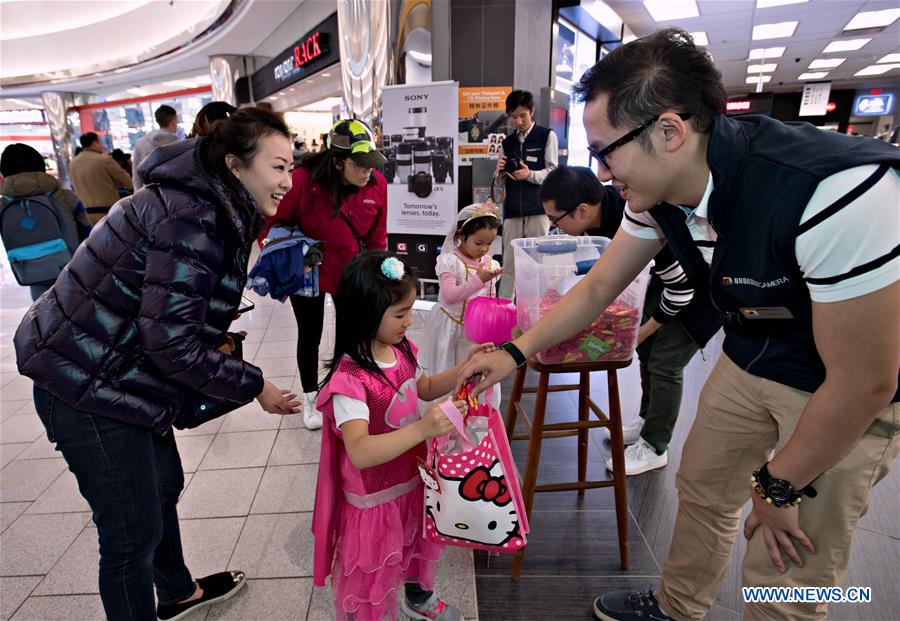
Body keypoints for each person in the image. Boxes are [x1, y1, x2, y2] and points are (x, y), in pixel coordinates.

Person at [459, 28, 899, 621]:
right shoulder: (656, 196)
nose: (601, 172)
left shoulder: (834, 194)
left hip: (839, 389)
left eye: (605, 151)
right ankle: (678, 605)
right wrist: (515, 352)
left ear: (669, 131)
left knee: (793, 560)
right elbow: (599, 285)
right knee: (702, 489)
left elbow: (864, 379)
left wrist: (777, 485)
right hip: (749, 357)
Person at [14, 108, 302, 621]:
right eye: (278, 167)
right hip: (83, 384)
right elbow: (169, 344)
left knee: (163, 484)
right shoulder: (193, 217)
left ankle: (176, 591)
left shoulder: (209, 204)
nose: (288, 180)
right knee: (130, 534)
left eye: (291, 166)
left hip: (121, 374)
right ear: (235, 165)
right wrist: (254, 383)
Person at [313, 251, 477, 621]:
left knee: (416, 546)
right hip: (375, 498)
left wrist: (465, 369)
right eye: (400, 314)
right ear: (366, 314)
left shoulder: (401, 349)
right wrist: (422, 428)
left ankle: (417, 599)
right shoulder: (351, 381)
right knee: (376, 568)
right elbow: (359, 451)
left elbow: (428, 386)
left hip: (411, 480)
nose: (408, 320)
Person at [539, 166, 722, 475]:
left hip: (704, 288)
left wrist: (644, 331)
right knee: (647, 353)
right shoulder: (603, 216)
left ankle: (655, 446)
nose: (553, 226)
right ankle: (647, 420)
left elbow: (682, 288)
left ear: (582, 210)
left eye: (555, 220)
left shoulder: (639, 216)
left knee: (665, 360)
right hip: (665, 281)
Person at [261, 118, 388, 431]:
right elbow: (271, 223)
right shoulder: (302, 181)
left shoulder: (377, 185)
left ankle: (346, 393)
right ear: (338, 161)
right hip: (309, 273)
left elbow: (377, 238)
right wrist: (298, 249)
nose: (367, 171)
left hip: (351, 273)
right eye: (360, 165)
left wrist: (377, 275)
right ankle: (309, 395)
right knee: (310, 334)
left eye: (371, 164)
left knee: (351, 334)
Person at [418, 202, 502, 403]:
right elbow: (449, 296)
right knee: (449, 372)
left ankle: (473, 412)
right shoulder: (450, 261)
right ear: (462, 236)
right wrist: (479, 280)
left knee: (475, 374)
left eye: (489, 244)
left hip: (476, 332)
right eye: (478, 242)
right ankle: (445, 414)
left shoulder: (490, 263)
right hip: (451, 329)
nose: (484, 249)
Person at [0, 143, 92, 300]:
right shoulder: (65, 197)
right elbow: (88, 234)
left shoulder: (3, 204)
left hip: (31, 273)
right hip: (73, 272)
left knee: (44, 316)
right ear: (40, 165)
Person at [493, 89, 559, 299]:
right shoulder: (507, 142)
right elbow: (499, 182)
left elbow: (553, 173)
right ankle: (503, 308)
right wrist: (500, 171)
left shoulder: (546, 136)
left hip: (538, 209)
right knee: (510, 262)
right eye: (514, 117)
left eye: (523, 115)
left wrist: (529, 174)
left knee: (538, 262)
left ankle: (537, 306)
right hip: (512, 210)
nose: (518, 121)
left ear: (532, 112)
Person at [70, 131, 135, 224]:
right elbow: (126, 180)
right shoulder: (104, 160)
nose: (101, 145)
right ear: (94, 143)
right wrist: (131, 190)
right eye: (99, 142)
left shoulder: (73, 163)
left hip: (86, 214)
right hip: (107, 211)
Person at [132, 104, 181, 189]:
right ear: (173, 120)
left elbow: (136, 176)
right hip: (174, 192)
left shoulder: (141, 143)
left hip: (149, 193)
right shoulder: (178, 145)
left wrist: (137, 196)